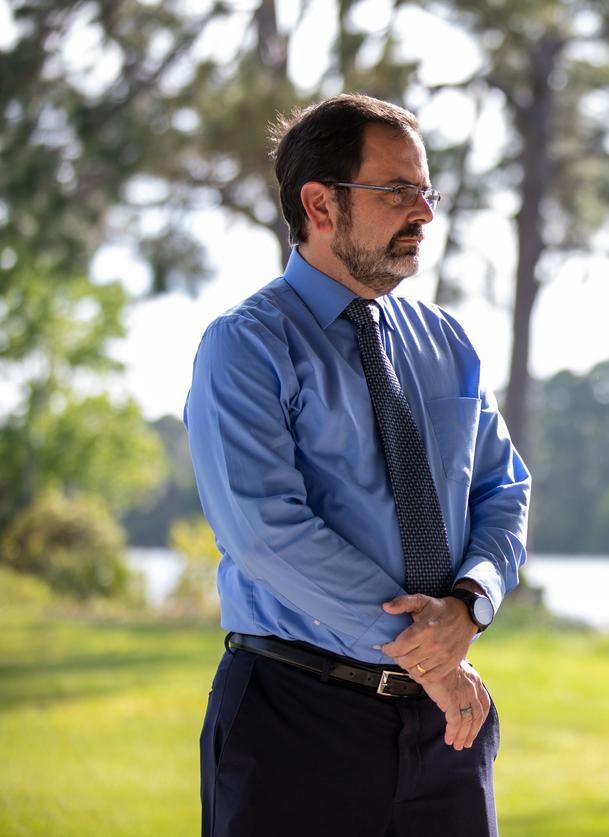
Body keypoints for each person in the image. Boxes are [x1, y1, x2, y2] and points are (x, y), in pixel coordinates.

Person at [186, 94, 530, 836]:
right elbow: (266, 530)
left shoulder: (447, 341)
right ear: (320, 203)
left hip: (445, 732)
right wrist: (431, 656)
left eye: (426, 189)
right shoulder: (245, 346)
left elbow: (506, 487)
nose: (425, 213)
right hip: (294, 722)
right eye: (397, 190)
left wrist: (471, 601)